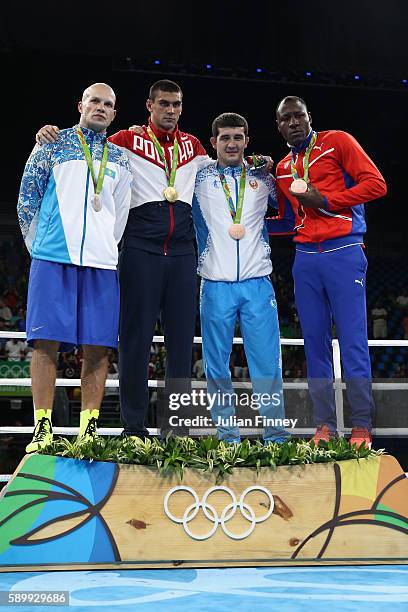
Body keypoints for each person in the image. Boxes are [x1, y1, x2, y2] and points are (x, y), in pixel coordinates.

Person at [36, 80, 210, 439]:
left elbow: (221, 166)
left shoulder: (193, 146)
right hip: (139, 250)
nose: (171, 110)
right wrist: (47, 132)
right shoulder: (124, 142)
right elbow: (88, 143)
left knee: (181, 346)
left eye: (177, 104)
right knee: (135, 342)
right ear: (149, 105)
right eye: (164, 104)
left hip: (181, 254)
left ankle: (176, 430)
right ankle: (133, 430)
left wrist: (257, 165)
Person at [18, 82, 132, 452]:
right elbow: (27, 198)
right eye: (94, 101)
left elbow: (120, 215)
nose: (100, 107)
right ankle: (42, 429)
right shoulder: (50, 143)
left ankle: (89, 429)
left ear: (114, 114)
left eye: (108, 104)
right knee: (45, 342)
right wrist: (41, 246)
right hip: (53, 258)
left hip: (100, 262)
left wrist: (102, 247)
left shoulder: (120, 158)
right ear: (80, 105)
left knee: (98, 346)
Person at [274, 96, 387, 448]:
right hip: (305, 257)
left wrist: (326, 201)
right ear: (278, 127)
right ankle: (324, 425)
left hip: (344, 251)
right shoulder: (281, 168)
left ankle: (362, 427)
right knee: (314, 345)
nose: (293, 122)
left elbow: (376, 185)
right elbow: (291, 221)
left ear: (310, 117)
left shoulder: (337, 141)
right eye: (286, 119)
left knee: (353, 341)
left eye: (298, 116)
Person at [192, 113, 289, 443]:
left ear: (247, 141)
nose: (231, 143)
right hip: (214, 282)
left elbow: (288, 212)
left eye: (237, 137)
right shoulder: (198, 177)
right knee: (216, 366)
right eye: (224, 138)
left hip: (257, 282)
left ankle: (275, 437)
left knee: (266, 364)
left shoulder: (264, 178)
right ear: (213, 142)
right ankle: (227, 438)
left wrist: (270, 166)